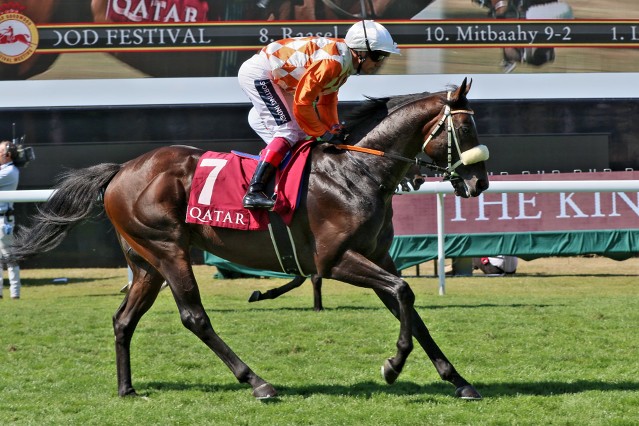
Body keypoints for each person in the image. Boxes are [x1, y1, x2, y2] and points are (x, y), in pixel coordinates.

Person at [237, 20, 400, 209]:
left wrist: (333, 127)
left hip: (276, 77)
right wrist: (322, 133)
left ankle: (276, 173)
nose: (380, 63)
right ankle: (253, 191)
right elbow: (303, 102)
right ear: (361, 52)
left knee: (295, 133)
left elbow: (327, 100)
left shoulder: (345, 62)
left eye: (384, 57)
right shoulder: (334, 63)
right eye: (378, 56)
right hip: (261, 73)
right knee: (288, 132)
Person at [0, 140, 21, 299]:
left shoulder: (9, 171)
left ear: (7, 155)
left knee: (9, 256)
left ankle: (15, 293)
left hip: (3, 221)